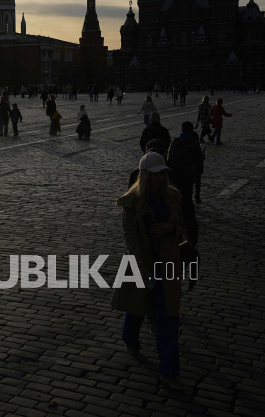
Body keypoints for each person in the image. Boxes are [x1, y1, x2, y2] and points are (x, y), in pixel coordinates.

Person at [112, 151, 186, 391]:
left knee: (168, 315)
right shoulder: (132, 201)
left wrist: (170, 228)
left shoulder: (172, 196)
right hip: (142, 262)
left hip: (168, 263)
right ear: (144, 175)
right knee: (137, 306)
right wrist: (138, 264)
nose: (159, 178)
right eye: (154, 174)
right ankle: (129, 339)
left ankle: (169, 369)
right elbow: (130, 236)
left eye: (162, 173)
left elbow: (182, 229)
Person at [168, 122, 204, 247]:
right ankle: (189, 229)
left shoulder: (176, 141)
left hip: (176, 175)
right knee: (187, 199)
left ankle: (176, 219)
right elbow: (199, 158)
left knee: (176, 198)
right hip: (188, 176)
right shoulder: (194, 143)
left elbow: (169, 159)